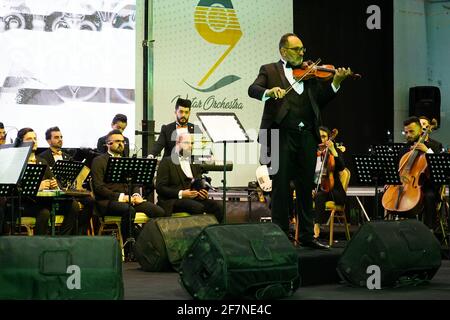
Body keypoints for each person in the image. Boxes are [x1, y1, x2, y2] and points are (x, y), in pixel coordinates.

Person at [248, 33, 352, 249]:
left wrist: (335, 83)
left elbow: (319, 102)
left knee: (306, 187)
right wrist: (268, 92)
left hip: (306, 136)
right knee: (281, 187)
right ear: (283, 51)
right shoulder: (269, 70)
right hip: (279, 135)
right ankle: (279, 236)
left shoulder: (311, 75)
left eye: (303, 49)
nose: (302, 53)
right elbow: (253, 89)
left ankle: (306, 236)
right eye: (297, 49)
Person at [91, 129, 167, 242]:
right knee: (129, 210)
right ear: (108, 143)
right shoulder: (99, 161)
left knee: (159, 212)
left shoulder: (126, 160)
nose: (121, 144)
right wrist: (122, 197)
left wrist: (136, 194)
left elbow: (135, 182)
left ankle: (149, 242)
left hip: (129, 200)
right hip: (108, 202)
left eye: (122, 141)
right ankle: (129, 246)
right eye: (117, 141)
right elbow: (99, 188)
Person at [15, 127, 78, 235]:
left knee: (73, 205)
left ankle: (62, 239)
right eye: (29, 139)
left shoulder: (42, 161)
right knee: (44, 213)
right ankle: (41, 244)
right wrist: (37, 186)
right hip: (25, 203)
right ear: (21, 142)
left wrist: (54, 185)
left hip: (44, 201)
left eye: (35, 138)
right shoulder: (17, 162)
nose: (34, 141)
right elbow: (15, 188)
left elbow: (53, 179)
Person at [156, 132, 223, 222]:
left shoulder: (194, 162)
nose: (190, 146)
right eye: (187, 143)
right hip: (173, 200)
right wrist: (181, 193)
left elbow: (198, 183)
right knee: (197, 207)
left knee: (218, 207)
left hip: (193, 199)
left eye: (191, 143)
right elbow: (160, 188)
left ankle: (213, 233)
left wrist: (202, 193)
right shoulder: (166, 162)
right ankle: (195, 234)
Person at [398, 116, 443, 230]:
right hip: (408, 184)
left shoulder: (434, 146)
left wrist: (427, 151)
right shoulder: (405, 148)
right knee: (396, 195)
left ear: (420, 130)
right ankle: (401, 229)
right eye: (406, 132)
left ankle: (429, 230)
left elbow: (439, 166)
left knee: (429, 196)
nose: (408, 135)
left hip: (428, 185)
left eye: (411, 131)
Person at [313, 126, 347, 239]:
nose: (321, 139)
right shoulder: (313, 153)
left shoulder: (334, 151)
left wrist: (332, 149)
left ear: (328, 138)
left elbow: (342, 167)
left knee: (319, 196)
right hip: (319, 189)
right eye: (319, 136)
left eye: (324, 137)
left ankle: (317, 226)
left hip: (335, 191)